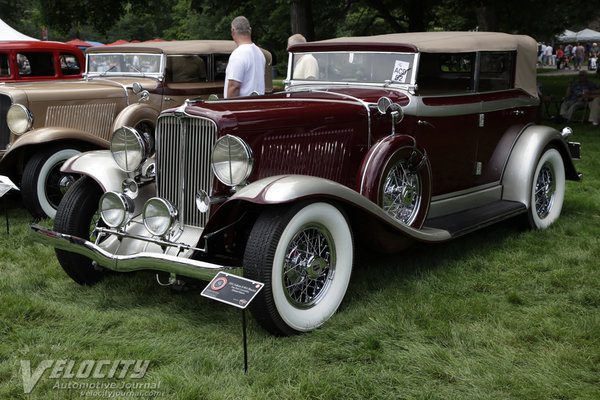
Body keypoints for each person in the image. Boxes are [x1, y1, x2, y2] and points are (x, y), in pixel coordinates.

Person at [224, 16, 265, 98]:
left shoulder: (238, 54)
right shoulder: (260, 53)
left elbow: (234, 87)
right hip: (257, 105)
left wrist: (230, 108)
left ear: (233, 31)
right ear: (250, 30)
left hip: (241, 107)